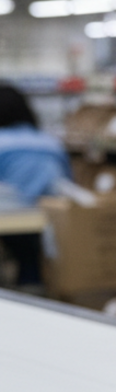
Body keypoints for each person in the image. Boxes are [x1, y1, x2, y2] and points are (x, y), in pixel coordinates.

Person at [0, 84, 71, 284]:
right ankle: (32, 282)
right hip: (48, 214)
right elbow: (67, 179)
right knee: (29, 254)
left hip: (8, 215)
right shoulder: (50, 142)